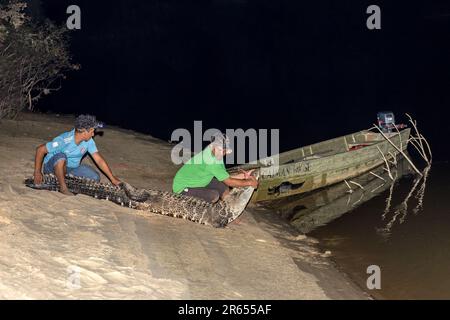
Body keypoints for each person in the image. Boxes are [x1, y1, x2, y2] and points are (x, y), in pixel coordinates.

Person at [33, 114, 121, 195]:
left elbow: (99, 160)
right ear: (84, 132)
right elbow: (40, 150)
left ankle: (62, 178)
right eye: (92, 131)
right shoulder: (63, 140)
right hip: (51, 167)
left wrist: (112, 179)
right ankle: (63, 188)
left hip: (70, 168)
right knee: (61, 156)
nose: (93, 134)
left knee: (94, 177)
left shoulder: (89, 141)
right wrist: (37, 172)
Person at [172, 133, 258, 203]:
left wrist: (243, 176)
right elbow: (230, 182)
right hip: (182, 188)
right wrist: (249, 182)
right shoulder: (210, 160)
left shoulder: (217, 155)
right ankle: (192, 207)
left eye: (224, 150)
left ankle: (229, 209)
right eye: (220, 149)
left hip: (199, 180)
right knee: (213, 196)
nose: (223, 153)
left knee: (223, 187)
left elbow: (225, 176)